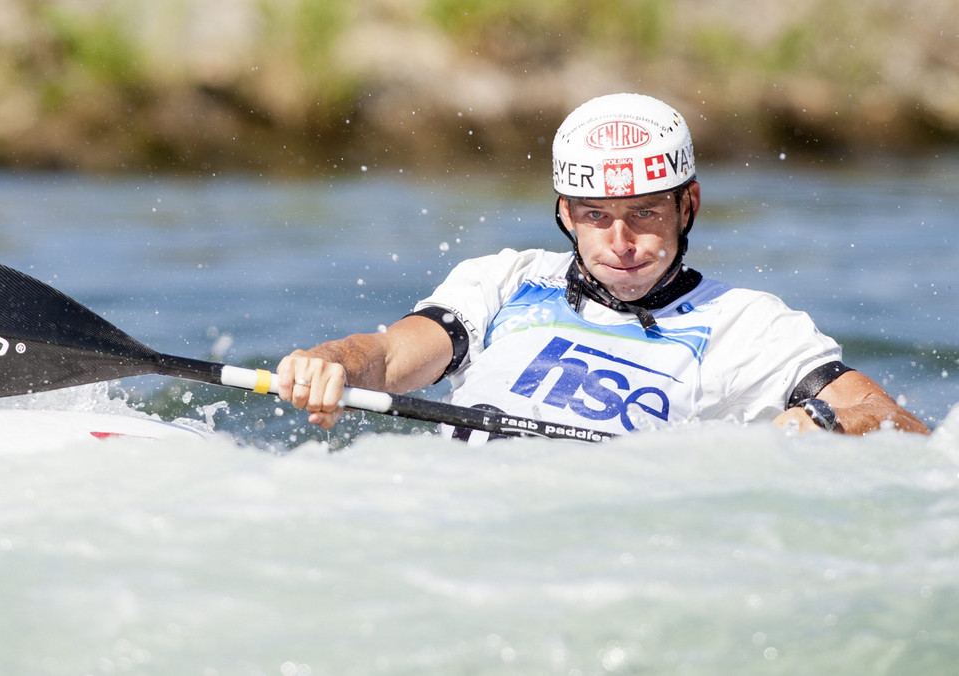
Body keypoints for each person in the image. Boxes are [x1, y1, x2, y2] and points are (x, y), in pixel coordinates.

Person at [275, 93, 929, 441]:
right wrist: (330, 362)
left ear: (688, 205)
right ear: (564, 212)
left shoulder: (745, 325)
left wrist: (820, 422)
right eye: (594, 216)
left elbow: (899, 425)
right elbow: (387, 359)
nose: (620, 241)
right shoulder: (505, 280)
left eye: (645, 214)